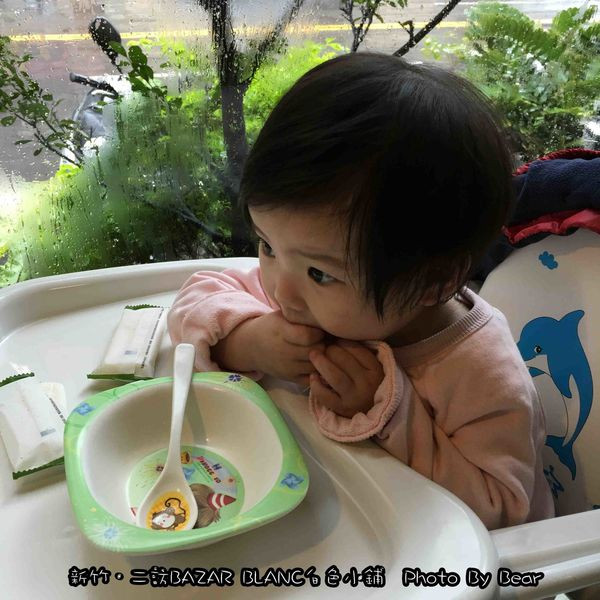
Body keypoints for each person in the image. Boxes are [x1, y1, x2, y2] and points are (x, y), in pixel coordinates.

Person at [168, 52, 554, 530]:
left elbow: (506, 514)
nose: (280, 291)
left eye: (320, 274)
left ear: (433, 280)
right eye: (267, 245)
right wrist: (246, 339)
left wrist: (384, 410)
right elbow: (196, 298)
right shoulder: (305, 285)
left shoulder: (481, 374)